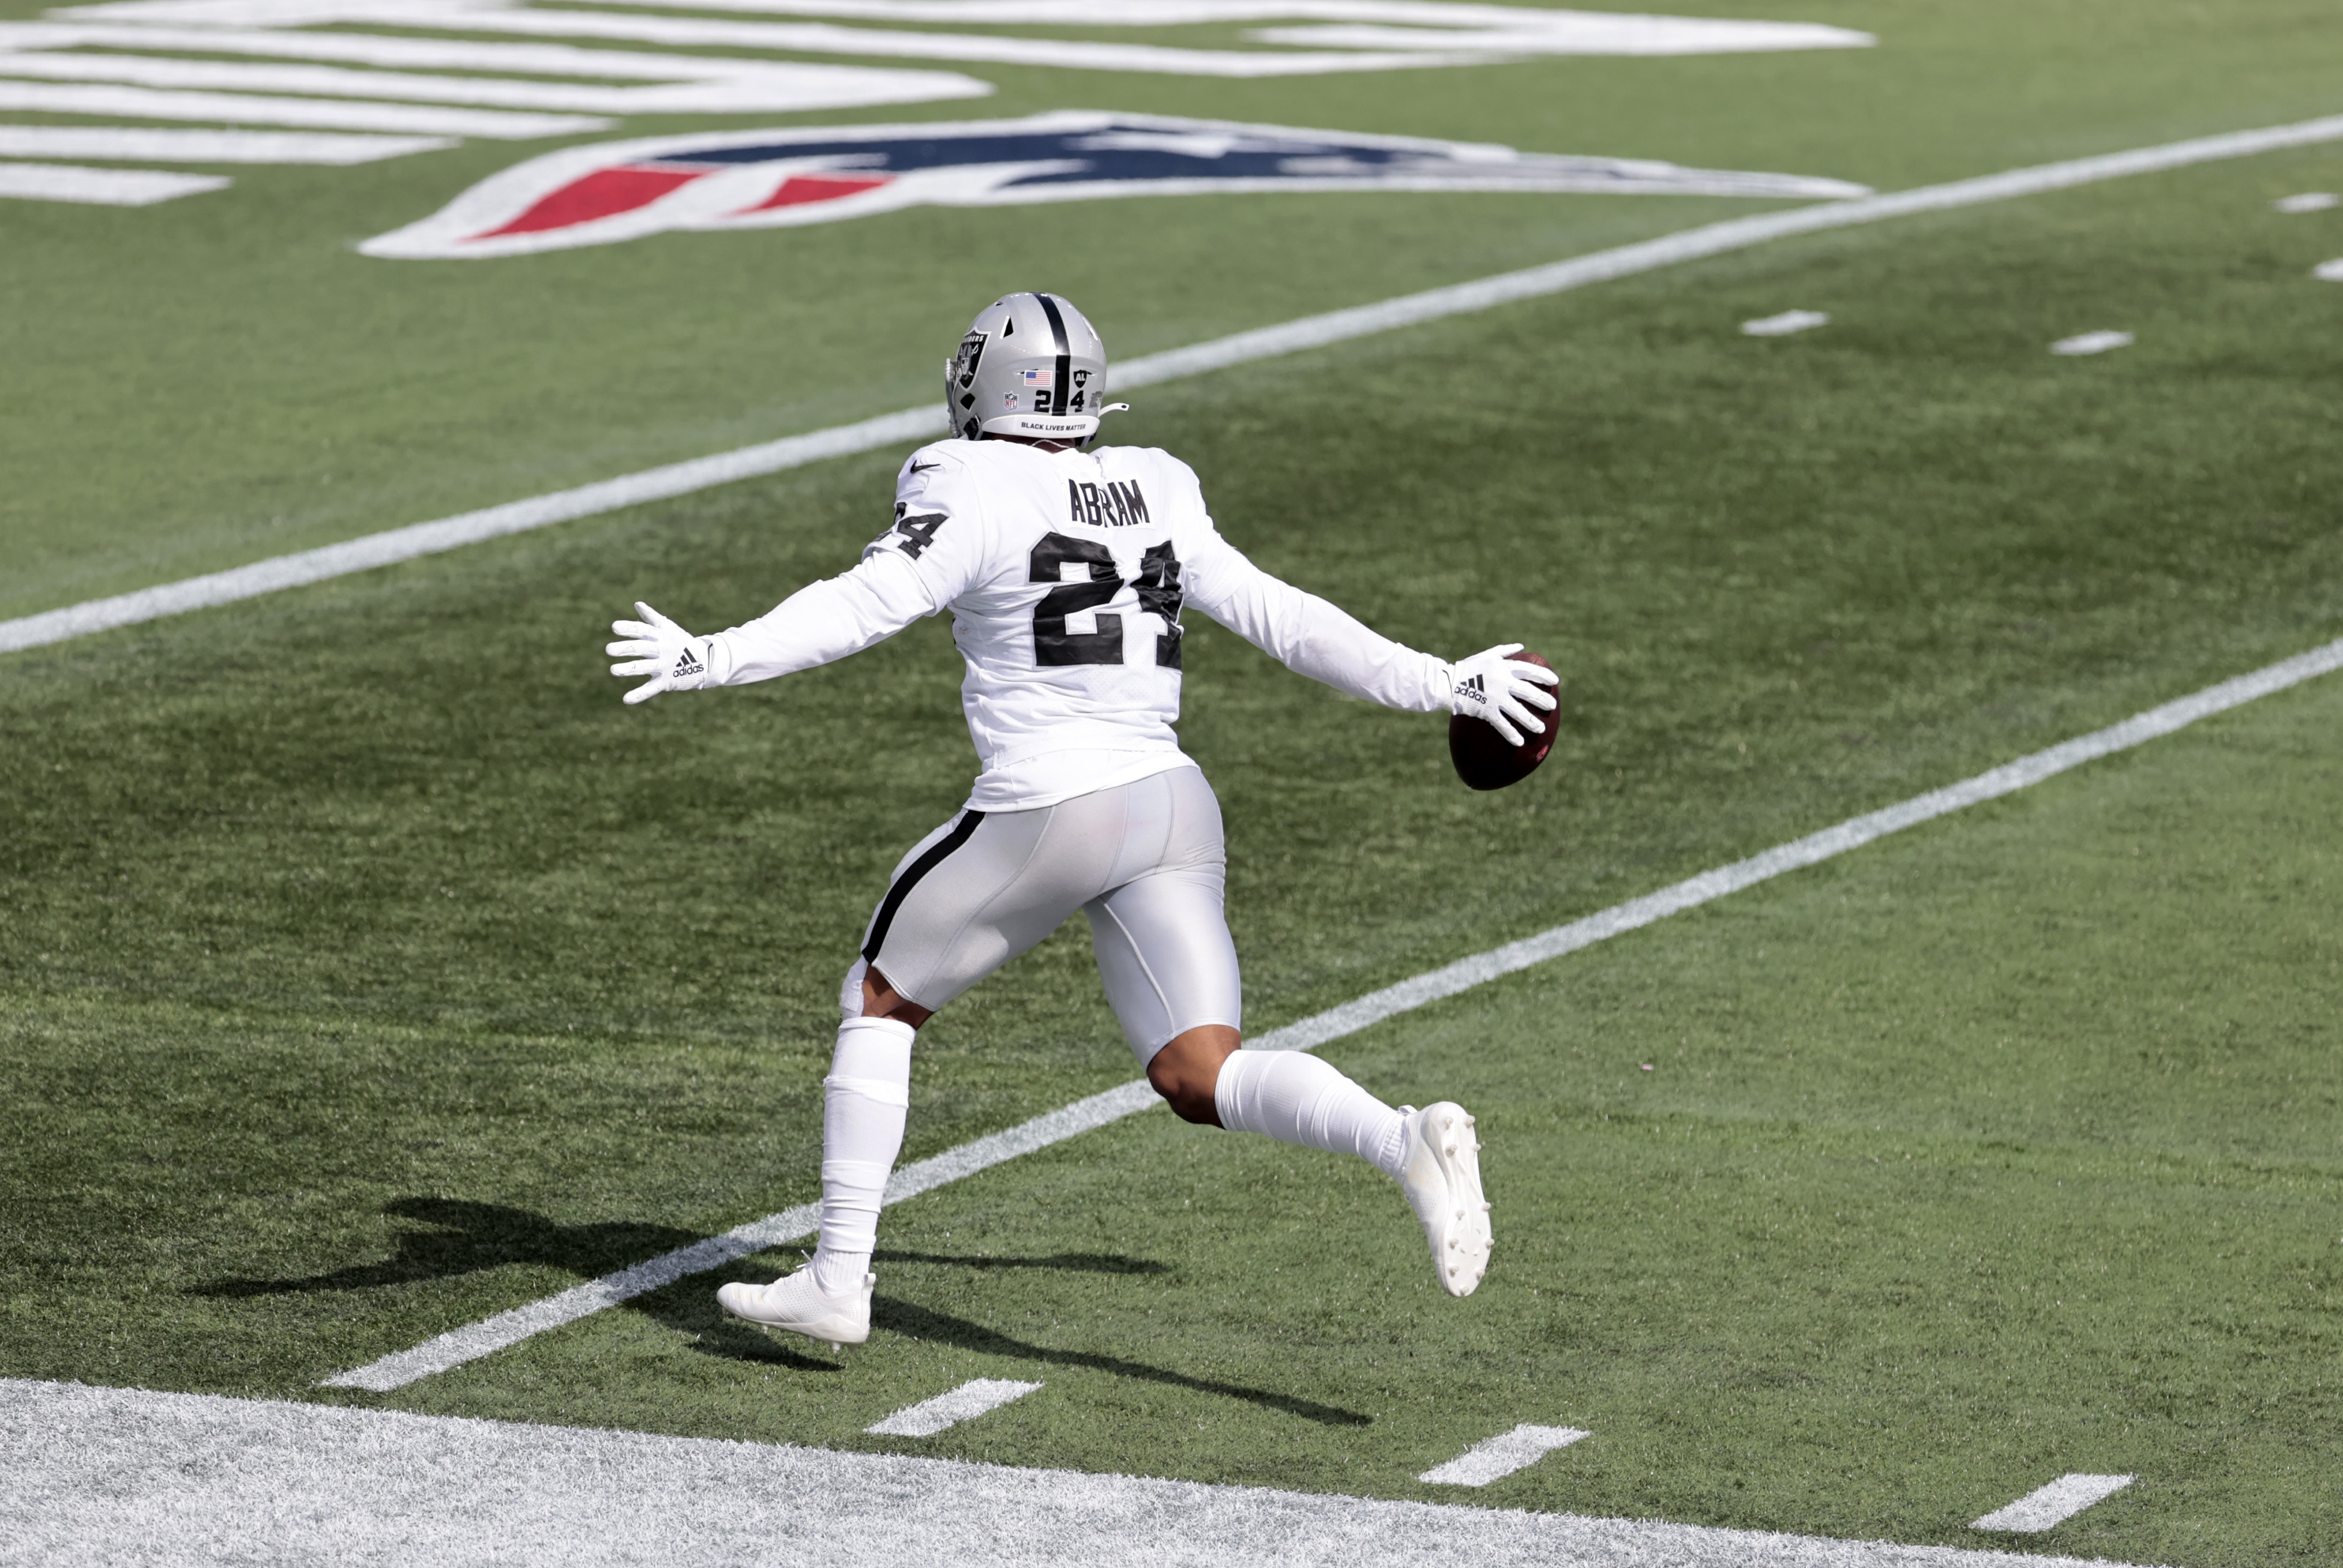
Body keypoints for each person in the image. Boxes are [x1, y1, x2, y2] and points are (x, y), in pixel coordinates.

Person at [607, 291, 1558, 1349]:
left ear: (984, 385)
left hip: (1050, 805)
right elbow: (1280, 614)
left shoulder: (961, 477)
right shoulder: (1157, 481)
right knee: (1202, 1071)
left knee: (879, 1000)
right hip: (1172, 805)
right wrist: (1441, 682)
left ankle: (840, 1274)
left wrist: (716, 653)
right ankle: (1400, 1139)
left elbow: (868, 601)